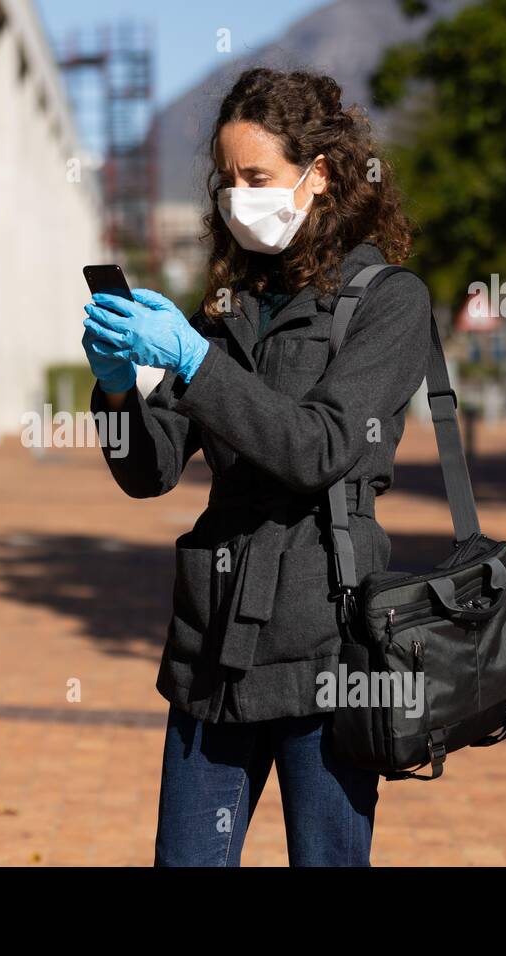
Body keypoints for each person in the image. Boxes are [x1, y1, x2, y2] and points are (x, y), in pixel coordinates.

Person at [80, 67, 432, 867]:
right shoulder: (228, 303)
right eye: (227, 180)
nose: (238, 196)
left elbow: (318, 448)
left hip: (331, 646)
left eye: (257, 177)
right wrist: (113, 390)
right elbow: (153, 471)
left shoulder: (386, 300)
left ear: (322, 175)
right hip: (213, 646)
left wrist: (200, 365)